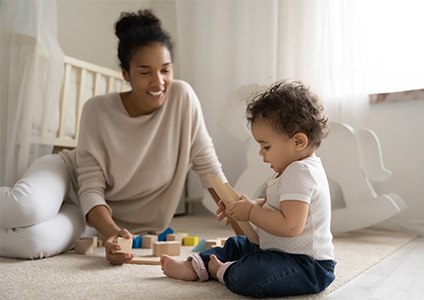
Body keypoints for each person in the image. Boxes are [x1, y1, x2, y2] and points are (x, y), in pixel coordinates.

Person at [0, 9, 233, 264]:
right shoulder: (96, 109)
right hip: (69, 178)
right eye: (145, 72)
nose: (159, 82)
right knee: (25, 208)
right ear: (126, 73)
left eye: (165, 70)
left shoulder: (183, 98)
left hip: (94, 218)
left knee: (31, 243)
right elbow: (90, 186)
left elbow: (210, 170)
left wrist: (246, 222)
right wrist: (114, 235)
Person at [160, 80, 336, 298]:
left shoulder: (301, 172)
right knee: (237, 244)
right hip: (276, 251)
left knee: (253, 273)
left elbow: (291, 225)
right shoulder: (293, 169)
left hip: (308, 265)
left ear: (298, 141)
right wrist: (252, 205)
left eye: (266, 147)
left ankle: (224, 272)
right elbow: (281, 205)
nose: (261, 154)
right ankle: (198, 265)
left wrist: (252, 213)